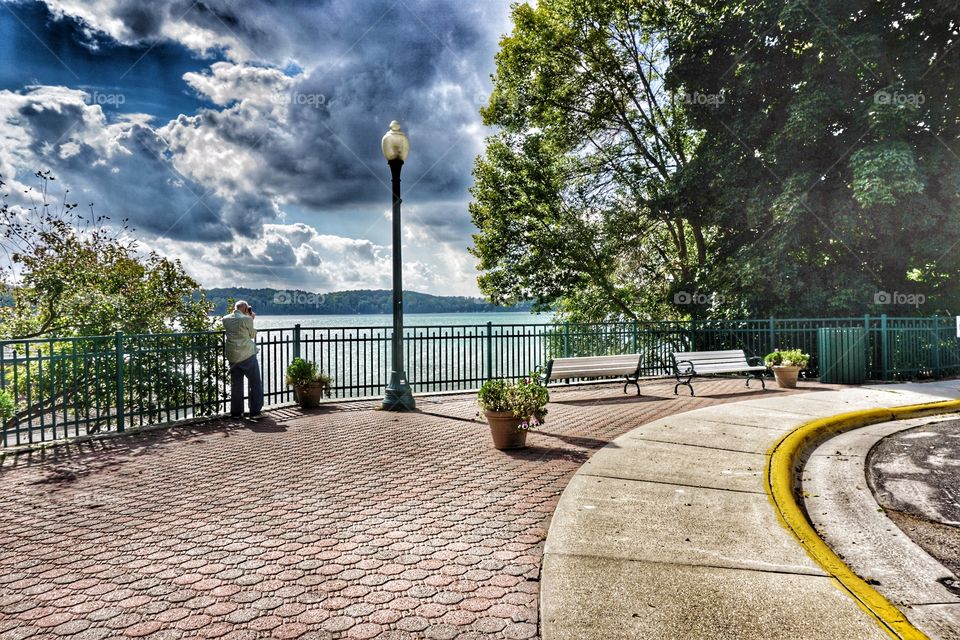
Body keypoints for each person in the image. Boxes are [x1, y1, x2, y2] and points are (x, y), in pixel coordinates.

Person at [222, 300, 263, 420]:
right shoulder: (247, 319)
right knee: (255, 383)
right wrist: (251, 318)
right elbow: (252, 335)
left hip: (233, 356)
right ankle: (255, 412)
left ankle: (236, 413)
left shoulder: (225, 319)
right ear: (245, 309)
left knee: (236, 385)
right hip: (247, 354)